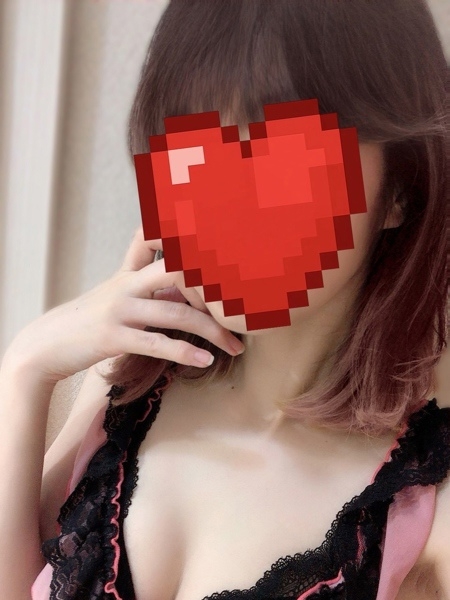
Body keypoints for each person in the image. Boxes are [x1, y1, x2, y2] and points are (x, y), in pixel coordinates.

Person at [0, 0, 449, 598]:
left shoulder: (426, 515)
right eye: (193, 151)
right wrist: (26, 369)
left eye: (281, 155)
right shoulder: (133, 378)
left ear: (400, 191)